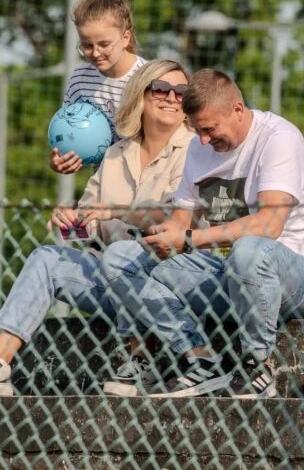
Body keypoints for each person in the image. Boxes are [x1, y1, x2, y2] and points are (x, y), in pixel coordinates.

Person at [100, 69, 304, 398]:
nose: (204, 140)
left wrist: (189, 240)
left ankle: (257, 365)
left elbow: (269, 225)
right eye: (197, 130)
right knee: (120, 258)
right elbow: (181, 222)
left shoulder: (279, 138)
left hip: (301, 280)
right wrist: (162, 237)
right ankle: (201, 359)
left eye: (209, 129)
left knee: (249, 250)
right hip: (229, 274)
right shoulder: (199, 149)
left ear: (237, 110)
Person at [0, 59, 195, 396]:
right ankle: (1, 360)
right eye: (161, 89)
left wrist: (116, 213)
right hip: (107, 274)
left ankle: (142, 361)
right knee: (46, 258)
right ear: (141, 94)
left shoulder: (195, 150)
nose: (171, 98)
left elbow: (174, 218)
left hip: (164, 278)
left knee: (125, 255)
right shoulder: (115, 154)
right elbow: (90, 223)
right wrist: (70, 221)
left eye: (181, 92)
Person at [51, 0, 146, 175]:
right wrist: (60, 159)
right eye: (86, 46)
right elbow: (68, 129)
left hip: (145, 176)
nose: (95, 53)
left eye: (104, 44)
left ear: (125, 38)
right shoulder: (80, 78)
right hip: (103, 178)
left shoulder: (146, 77)